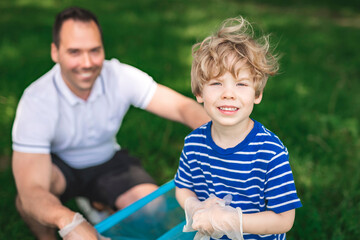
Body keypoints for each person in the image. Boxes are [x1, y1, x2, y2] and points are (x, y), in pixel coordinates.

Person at [11, 6, 210, 240]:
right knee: (28, 205)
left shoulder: (118, 76)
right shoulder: (36, 100)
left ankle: (97, 202)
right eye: (74, 52)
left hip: (107, 160)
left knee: (153, 210)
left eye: (94, 50)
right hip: (60, 167)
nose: (86, 63)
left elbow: (182, 107)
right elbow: (31, 191)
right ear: (55, 52)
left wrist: (224, 139)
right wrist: (69, 222)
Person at [174, 16, 302, 240]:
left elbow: (284, 220)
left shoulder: (270, 152)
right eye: (216, 83)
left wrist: (233, 220)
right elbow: (183, 188)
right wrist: (194, 207)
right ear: (199, 93)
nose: (228, 93)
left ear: (258, 94)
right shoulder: (193, 143)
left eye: (241, 84)